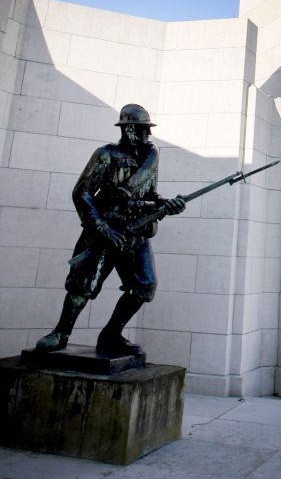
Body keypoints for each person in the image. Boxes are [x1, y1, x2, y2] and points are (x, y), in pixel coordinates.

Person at [36, 104, 185, 355]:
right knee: (82, 287)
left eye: (147, 130)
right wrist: (103, 228)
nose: (146, 135)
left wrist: (166, 203)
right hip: (104, 232)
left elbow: (148, 194)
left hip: (135, 234)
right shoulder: (106, 154)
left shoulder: (147, 159)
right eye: (141, 130)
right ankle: (61, 332)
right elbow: (82, 193)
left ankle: (111, 334)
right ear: (127, 129)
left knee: (145, 286)